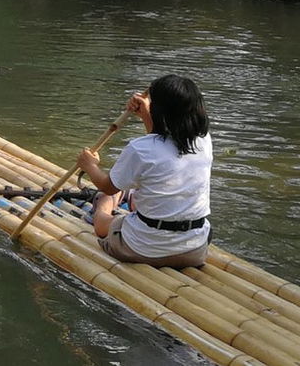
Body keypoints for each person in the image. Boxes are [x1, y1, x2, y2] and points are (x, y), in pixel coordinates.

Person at [76, 75, 212, 268]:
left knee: (103, 208)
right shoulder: (204, 140)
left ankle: (104, 208)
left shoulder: (140, 148)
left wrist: (89, 166)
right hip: (195, 250)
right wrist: (147, 114)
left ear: (160, 111)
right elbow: (162, 149)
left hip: (143, 248)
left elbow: (107, 186)